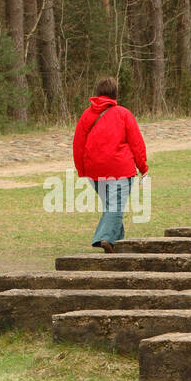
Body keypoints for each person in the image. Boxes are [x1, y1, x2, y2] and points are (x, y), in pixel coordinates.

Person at [72, 77, 148, 252]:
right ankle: (104, 238)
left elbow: (78, 144)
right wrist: (143, 167)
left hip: (94, 171)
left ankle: (116, 244)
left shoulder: (86, 115)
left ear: (98, 93)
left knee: (111, 207)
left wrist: (82, 170)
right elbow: (137, 143)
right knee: (115, 207)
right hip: (120, 169)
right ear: (115, 94)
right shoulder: (123, 114)